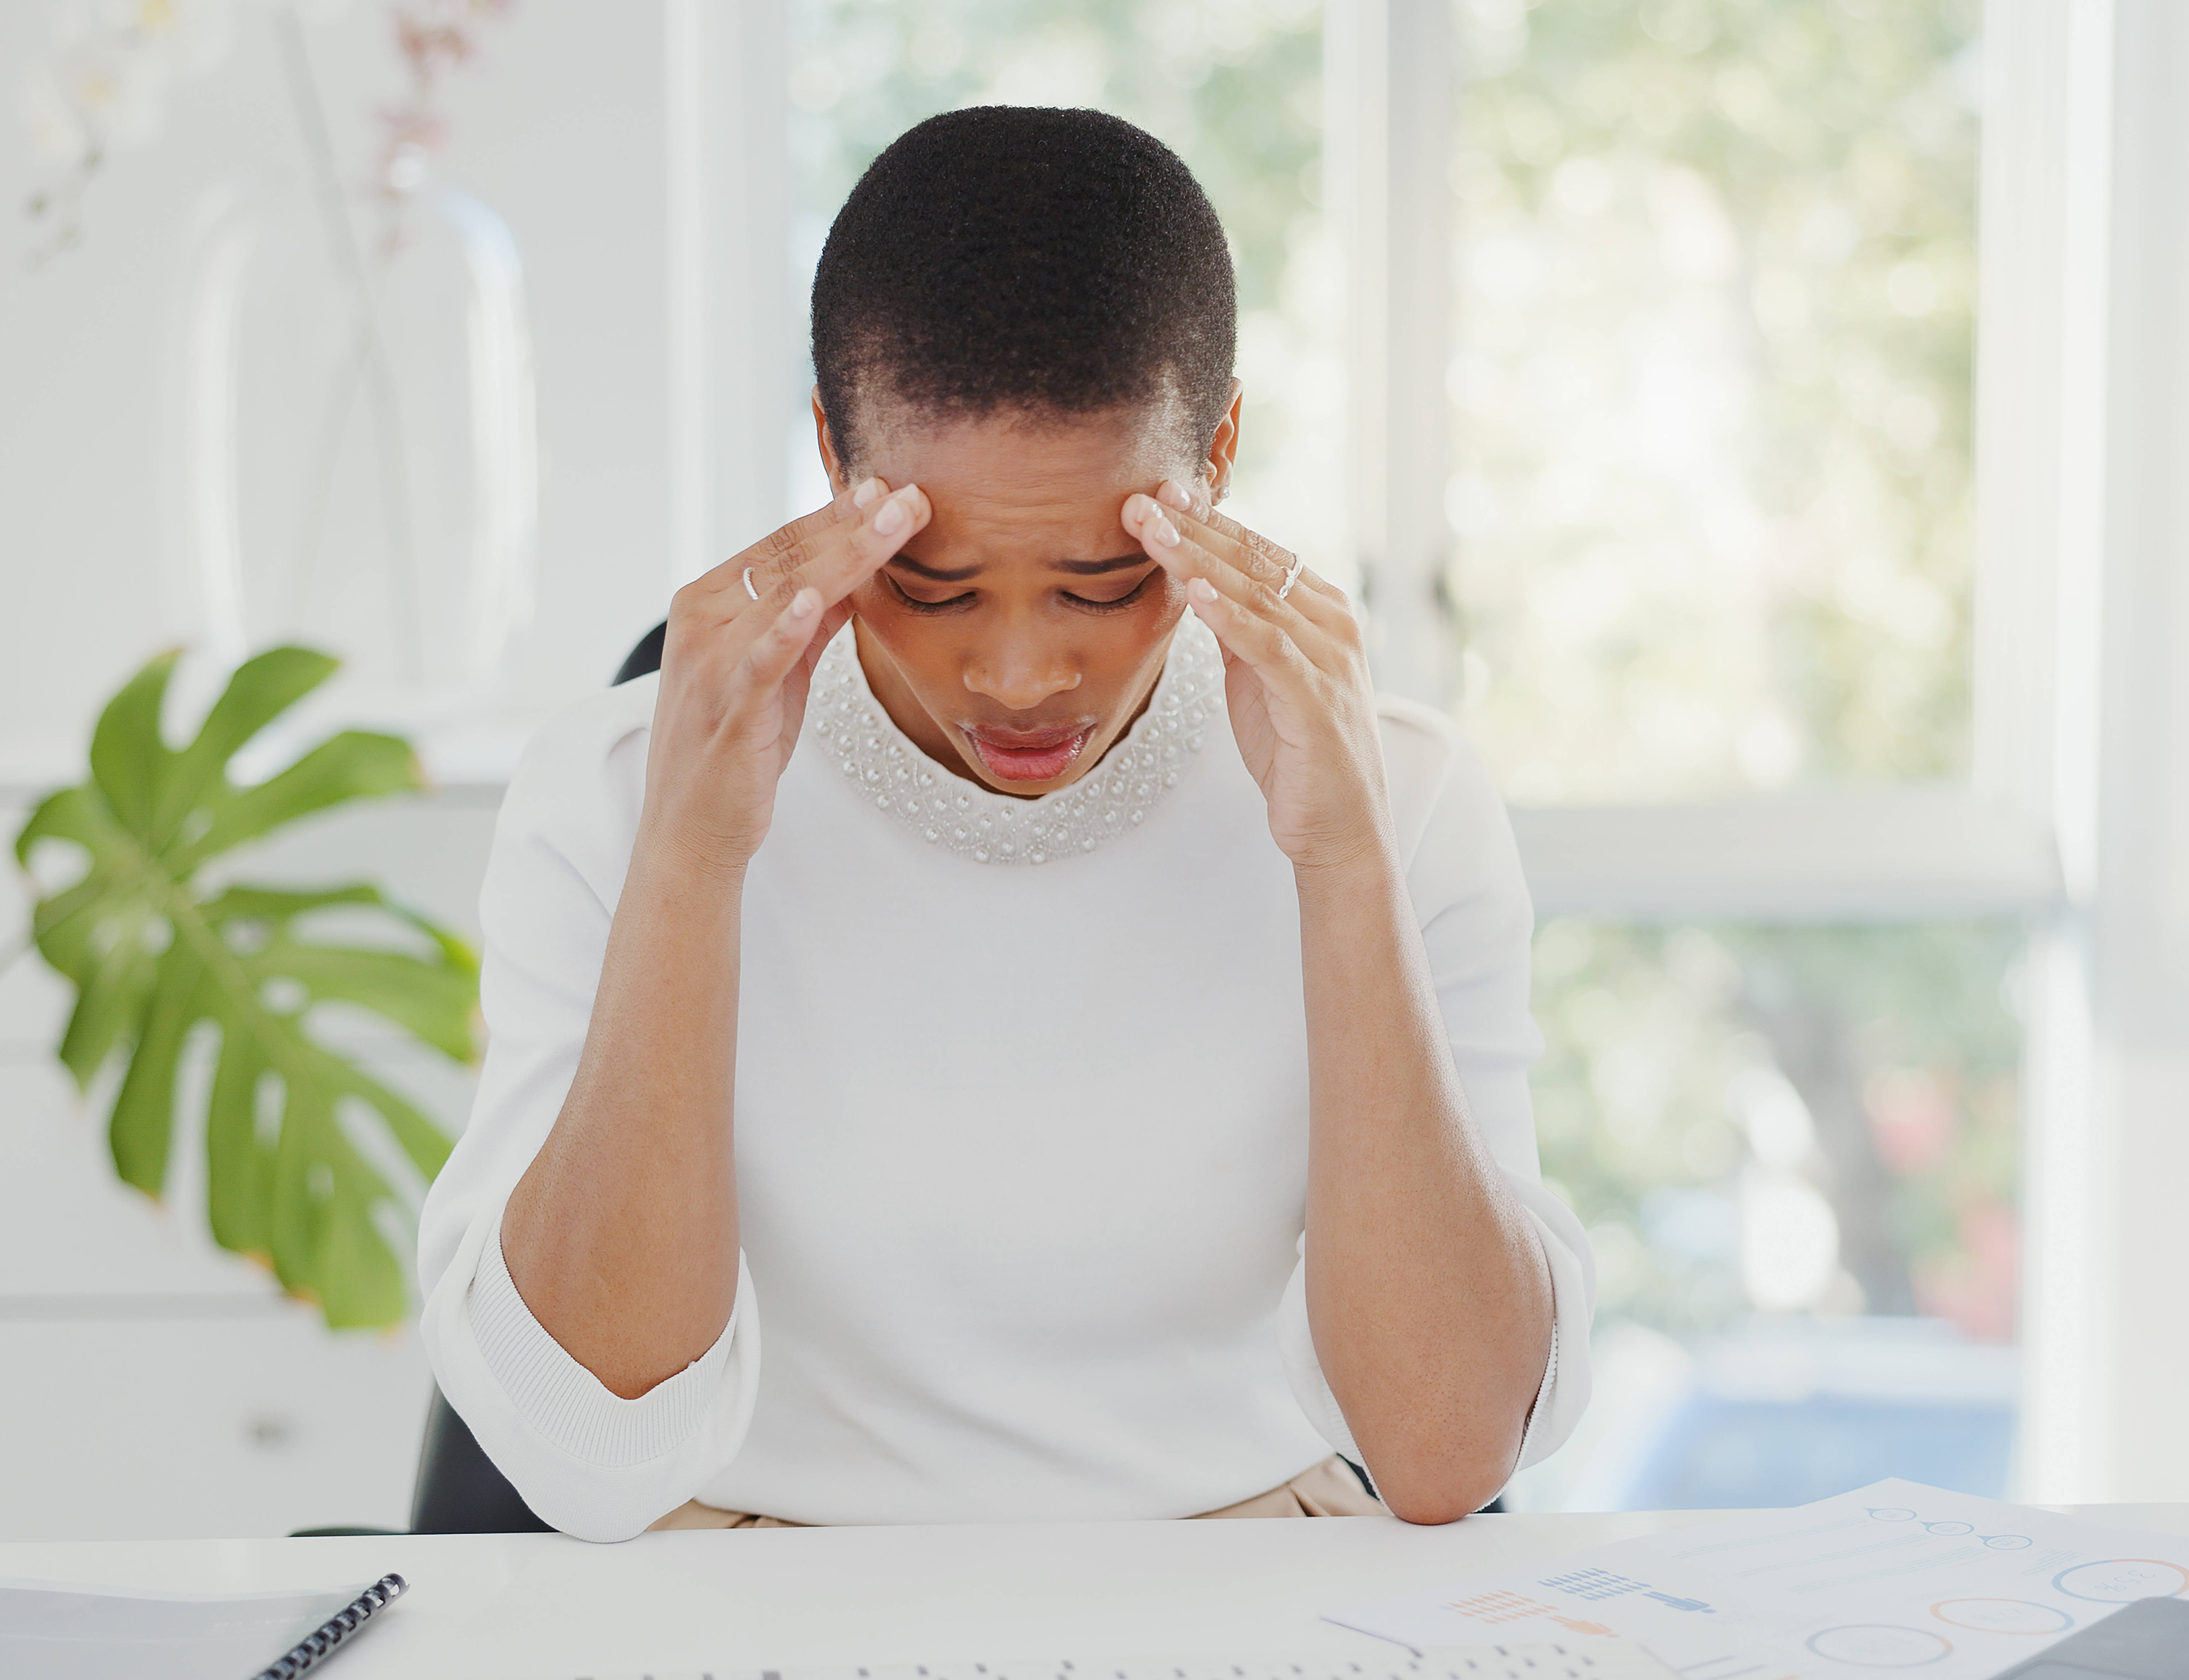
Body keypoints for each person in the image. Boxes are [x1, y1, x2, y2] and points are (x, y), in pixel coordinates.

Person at [415, 105, 1592, 1542]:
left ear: (1218, 452)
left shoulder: (1396, 798)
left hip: (1241, 1581)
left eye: (1101, 584)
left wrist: (1339, 863)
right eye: (934, 584)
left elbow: (1443, 1452)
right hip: (757, 1587)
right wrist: (691, 857)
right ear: (831, 458)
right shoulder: (615, 789)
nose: (1022, 674)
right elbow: (584, 1448)